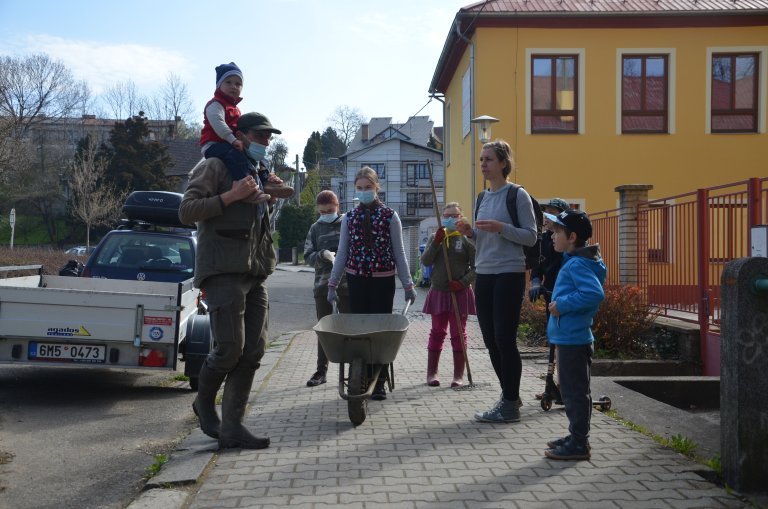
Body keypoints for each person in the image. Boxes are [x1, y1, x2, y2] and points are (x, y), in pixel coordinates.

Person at [179, 111, 285, 450]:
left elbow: (281, 195)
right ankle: (204, 405)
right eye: (260, 135)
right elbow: (187, 211)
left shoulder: (256, 170)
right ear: (240, 134)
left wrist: (275, 190)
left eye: (270, 137)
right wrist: (231, 196)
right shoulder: (216, 165)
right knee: (228, 349)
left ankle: (233, 426)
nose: (266, 142)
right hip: (223, 270)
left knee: (253, 351)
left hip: (255, 272)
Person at [456, 140, 537, 423]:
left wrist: (502, 228)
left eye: (488, 159)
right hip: (484, 273)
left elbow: (530, 236)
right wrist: (470, 233)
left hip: (510, 273)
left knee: (505, 338)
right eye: (481, 159)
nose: (483, 164)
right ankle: (510, 396)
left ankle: (510, 403)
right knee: (491, 341)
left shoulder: (517, 195)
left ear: (503, 163)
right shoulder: (481, 198)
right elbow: (481, 241)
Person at [327, 167, 417, 400]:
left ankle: (379, 382)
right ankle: (362, 378)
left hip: (382, 281)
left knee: (381, 334)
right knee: (360, 333)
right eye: (359, 188)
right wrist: (332, 284)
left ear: (377, 188)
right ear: (354, 189)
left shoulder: (390, 216)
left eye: (368, 187)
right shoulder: (350, 217)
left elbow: (399, 253)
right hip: (356, 281)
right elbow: (342, 252)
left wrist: (408, 285)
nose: (364, 191)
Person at [542, 208, 606, 461]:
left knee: (574, 393)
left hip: (573, 339)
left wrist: (562, 305)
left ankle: (580, 443)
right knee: (573, 391)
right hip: (570, 337)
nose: (552, 236)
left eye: (557, 232)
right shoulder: (579, 260)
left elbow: (594, 294)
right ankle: (576, 435)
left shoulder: (578, 263)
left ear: (572, 236)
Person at [199, 62, 292, 202]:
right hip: (214, 144)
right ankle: (243, 186)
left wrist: (271, 202)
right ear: (218, 85)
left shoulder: (234, 109)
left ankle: (266, 183)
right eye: (228, 82)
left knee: (255, 161)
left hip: (228, 143)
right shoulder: (215, 104)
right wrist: (233, 140)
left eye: (238, 84)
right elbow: (218, 124)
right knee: (235, 157)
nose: (233, 86)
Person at [420, 202, 476, 388]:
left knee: (458, 333)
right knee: (437, 332)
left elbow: (477, 267)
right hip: (439, 292)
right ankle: (432, 373)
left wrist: (462, 282)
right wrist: (436, 242)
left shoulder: (467, 239)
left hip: (459, 292)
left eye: (454, 215)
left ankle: (458, 375)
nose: (450, 219)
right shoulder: (436, 237)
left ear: (461, 217)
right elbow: (426, 260)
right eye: (447, 216)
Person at [303, 190, 350, 387]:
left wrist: (341, 256)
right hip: (323, 286)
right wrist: (322, 255)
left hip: (347, 286)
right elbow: (307, 256)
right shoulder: (315, 228)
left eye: (330, 210)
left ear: (337, 206)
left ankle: (356, 370)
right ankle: (321, 371)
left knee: (352, 327)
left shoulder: (347, 223)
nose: (326, 214)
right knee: (324, 329)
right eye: (322, 212)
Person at [529, 198, 568, 400]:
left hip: (562, 296)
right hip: (549, 295)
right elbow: (537, 264)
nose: (546, 218)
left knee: (561, 343)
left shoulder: (566, 243)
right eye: (545, 214)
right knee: (553, 340)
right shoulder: (544, 240)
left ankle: (563, 386)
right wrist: (535, 280)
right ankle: (554, 386)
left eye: (551, 214)